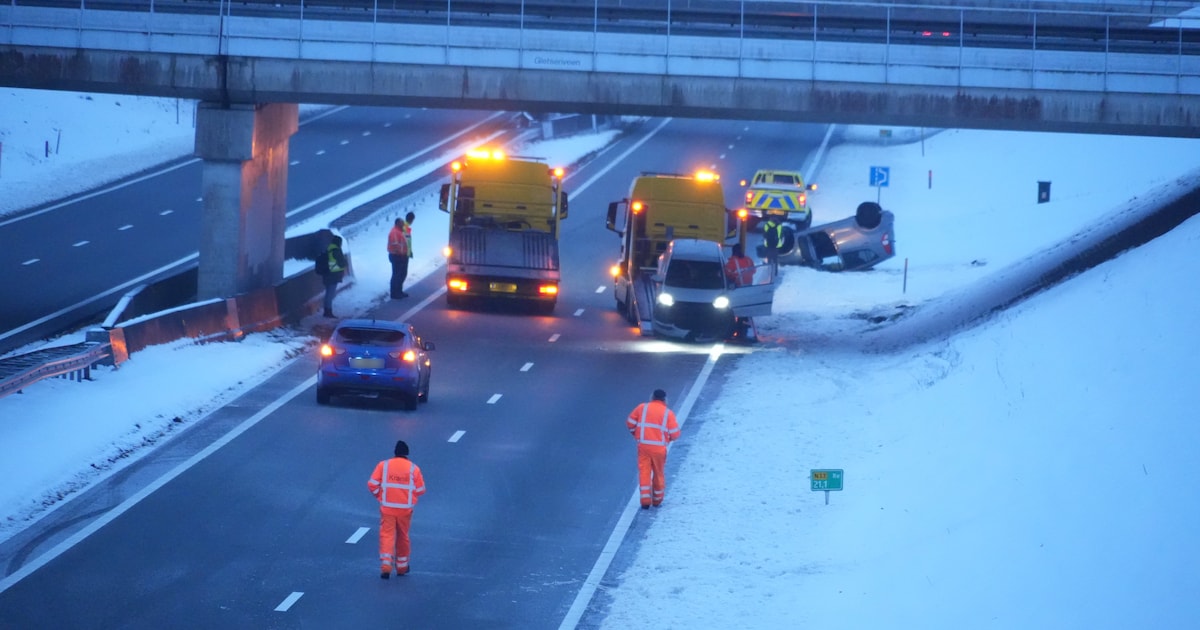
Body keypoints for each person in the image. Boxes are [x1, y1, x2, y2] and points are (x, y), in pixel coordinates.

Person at [368, 439, 426, 579]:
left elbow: (372, 484)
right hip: (405, 510)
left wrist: (381, 496)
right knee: (403, 537)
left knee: (387, 535)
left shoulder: (384, 465)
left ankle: (386, 566)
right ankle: (402, 567)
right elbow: (421, 490)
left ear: (395, 453)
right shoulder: (413, 468)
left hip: (387, 508)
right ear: (407, 454)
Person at [626, 389, 680, 509]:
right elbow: (675, 434)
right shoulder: (668, 413)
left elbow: (630, 423)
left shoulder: (642, 408)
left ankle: (645, 501)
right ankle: (657, 500)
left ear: (652, 397)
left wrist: (636, 434)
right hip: (659, 449)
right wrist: (667, 439)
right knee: (658, 473)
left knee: (644, 472)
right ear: (665, 400)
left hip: (643, 446)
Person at [318, 233, 347, 318]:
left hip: (327, 274)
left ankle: (327, 310)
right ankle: (328, 312)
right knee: (330, 294)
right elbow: (342, 263)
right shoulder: (336, 250)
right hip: (333, 275)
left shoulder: (328, 248)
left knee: (328, 293)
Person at [387, 217, 409, 299]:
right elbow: (395, 245)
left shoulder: (400, 231)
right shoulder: (394, 233)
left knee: (402, 274)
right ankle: (394, 293)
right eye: (401, 223)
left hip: (402, 256)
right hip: (397, 256)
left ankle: (399, 291)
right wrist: (401, 253)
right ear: (397, 224)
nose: (403, 224)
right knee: (397, 275)